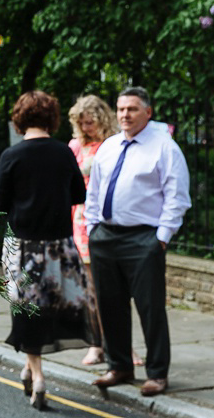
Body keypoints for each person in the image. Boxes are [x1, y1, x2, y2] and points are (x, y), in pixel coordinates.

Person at [85, 86, 191, 398]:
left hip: (144, 238)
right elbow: (94, 191)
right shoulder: (110, 146)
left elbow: (177, 197)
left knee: (150, 307)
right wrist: (93, 228)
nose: (125, 115)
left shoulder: (165, 148)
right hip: (105, 236)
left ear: (148, 112)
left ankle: (157, 373)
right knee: (110, 305)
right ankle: (119, 366)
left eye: (132, 109)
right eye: (120, 109)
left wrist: (161, 238)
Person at [0, 90, 91, 410]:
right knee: (48, 310)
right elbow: (79, 193)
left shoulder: (12, 156)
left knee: (26, 311)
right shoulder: (64, 153)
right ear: (52, 118)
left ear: (20, 118)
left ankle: (37, 376)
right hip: (59, 248)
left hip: (22, 247)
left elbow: (0, 203)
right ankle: (30, 368)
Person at [67, 95, 119, 366]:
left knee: (116, 289)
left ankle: (121, 347)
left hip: (110, 221)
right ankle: (97, 345)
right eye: (82, 123)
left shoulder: (115, 144)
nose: (87, 128)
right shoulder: (76, 146)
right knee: (91, 290)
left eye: (91, 122)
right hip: (82, 223)